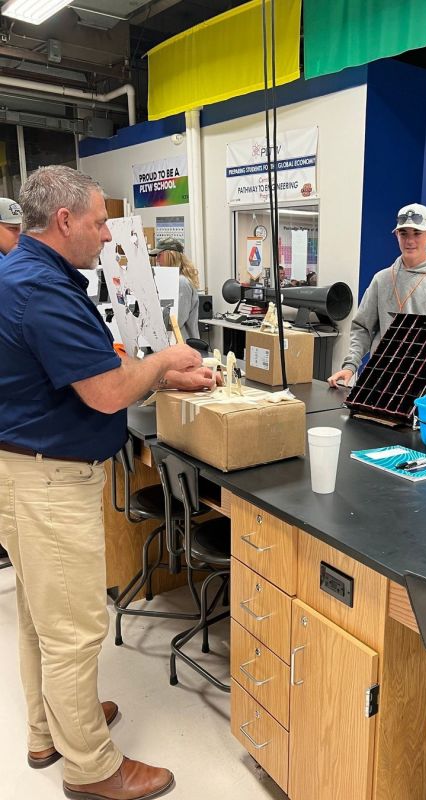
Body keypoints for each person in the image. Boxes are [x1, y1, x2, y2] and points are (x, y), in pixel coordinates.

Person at [0, 166, 213, 800]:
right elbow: (105, 392)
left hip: (23, 470)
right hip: (48, 481)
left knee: (42, 619)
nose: (103, 235)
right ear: (64, 220)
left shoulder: (29, 276)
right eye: (97, 222)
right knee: (74, 631)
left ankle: (49, 731)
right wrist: (166, 362)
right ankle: (91, 768)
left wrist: (158, 378)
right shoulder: (41, 288)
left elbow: (90, 365)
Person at [328, 202, 426, 387]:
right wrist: (350, 365)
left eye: (417, 233)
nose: (410, 241)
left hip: (421, 382)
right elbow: (363, 328)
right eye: (404, 233)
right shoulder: (382, 279)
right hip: (379, 378)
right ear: (396, 235)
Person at [149, 238, 200, 341]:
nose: (157, 260)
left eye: (160, 255)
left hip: (182, 344)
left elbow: (176, 321)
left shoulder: (181, 283)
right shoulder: (171, 281)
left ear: (170, 255)